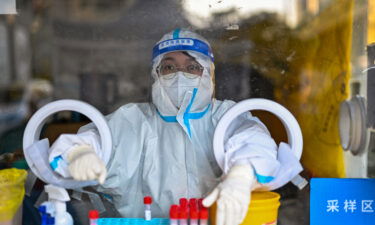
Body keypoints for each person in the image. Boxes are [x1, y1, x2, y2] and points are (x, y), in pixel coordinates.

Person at [48, 29, 291, 225]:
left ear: (209, 74)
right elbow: (90, 140)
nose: (179, 75)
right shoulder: (133, 120)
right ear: (156, 74)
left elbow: (254, 141)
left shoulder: (226, 116)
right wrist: (78, 152)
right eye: (169, 67)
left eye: (192, 66)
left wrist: (241, 174)